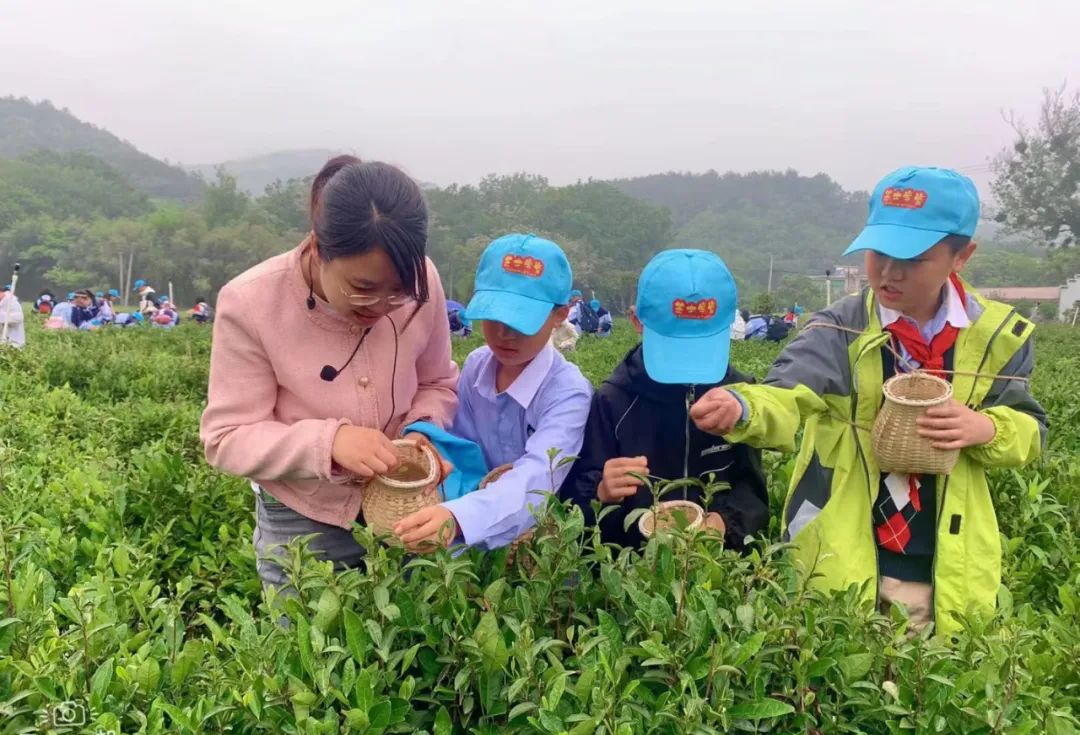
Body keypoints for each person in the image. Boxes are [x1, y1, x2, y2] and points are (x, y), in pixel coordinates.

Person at [689, 167, 1047, 634]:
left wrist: (988, 428)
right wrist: (743, 406)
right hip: (844, 550)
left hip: (947, 558)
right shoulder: (839, 328)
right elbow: (787, 390)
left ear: (962, 256)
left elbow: (1032, 428)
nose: (889, 272)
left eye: (913, 257)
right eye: (879, 253)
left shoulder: (998, 336)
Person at [200, 155, 458, 595]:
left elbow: (437, 382)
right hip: (303, 519)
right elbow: (226, 437)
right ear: (319, 250)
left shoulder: (425, 282)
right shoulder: (251, 302)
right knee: (303, 654)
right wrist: (329, 443)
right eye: (362, 289)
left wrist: (423, 434)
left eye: (397, 292)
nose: (380, 307)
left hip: (405, 508)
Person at [393, 233, 592, 552]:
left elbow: (538, 478)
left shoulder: (567, 392)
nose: (503, 334)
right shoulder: (476, 366)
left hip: (536, 541)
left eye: (521, 322)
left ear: (560, 314)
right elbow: (463, 451)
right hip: (466, 527)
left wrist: (459, 517)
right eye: (494, 316)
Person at [561, 249, 768, 550]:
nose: (687, 367)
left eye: (700, 347)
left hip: (718, 568)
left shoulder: (739, 396)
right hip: (632, 570)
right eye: (674, 347)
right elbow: (575, 496)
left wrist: (725, 522)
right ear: (636, 320)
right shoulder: (613, 401)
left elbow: (752, 490)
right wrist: (600, 490)